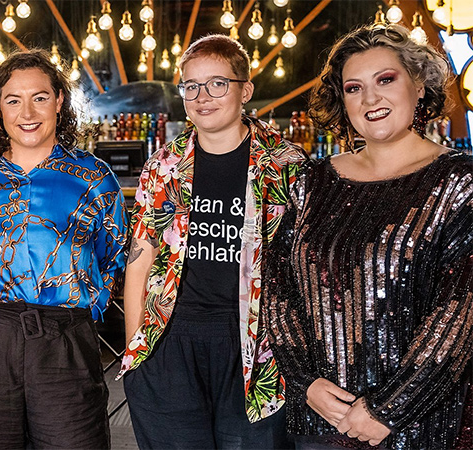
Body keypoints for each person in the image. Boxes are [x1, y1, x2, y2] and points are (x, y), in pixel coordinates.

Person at [264, 24, 473, 449]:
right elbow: (277, 289)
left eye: (386, 80)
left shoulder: (461, 183)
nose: (370, 99)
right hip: (320, 422)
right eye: (354, 88)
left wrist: (388, 410)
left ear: (419, 86)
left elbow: (461, 314)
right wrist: (305, 383)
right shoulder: (312, 183)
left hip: (420, 428)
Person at [118, 34, 306, 449]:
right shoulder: (165, 166)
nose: (203, 96)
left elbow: (304, 268)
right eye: (191, 86)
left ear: (246, 90)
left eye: (218, 83)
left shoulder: (286, 165)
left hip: (257, 347)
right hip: (169, 343)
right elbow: (141, 257)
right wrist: (137, 353)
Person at [0, 49, 127, 449]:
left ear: (59, 100)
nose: (28, 111)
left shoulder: (94, 178)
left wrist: (79, 316)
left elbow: (114, 254)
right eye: (13, 99)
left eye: (40, 97)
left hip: (64, 343)